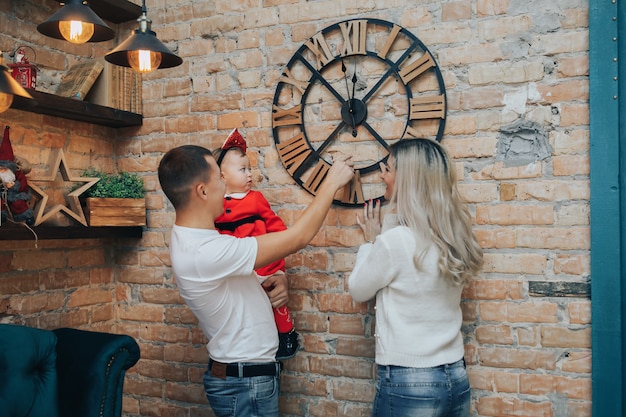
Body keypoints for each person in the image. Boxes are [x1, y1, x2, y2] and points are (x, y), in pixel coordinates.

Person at [157, 144, 353, 417]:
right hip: (244, 384)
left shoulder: (198, 239)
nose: (225, 182)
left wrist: (277, 278)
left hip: (245, 379)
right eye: (219, 177)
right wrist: (331, 183)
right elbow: (297, 237)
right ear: (202, 191)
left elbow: (235, 284)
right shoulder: (204, 252)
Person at [348, 138, 483, 417]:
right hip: (455, 377)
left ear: (408, 178)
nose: (383, 175)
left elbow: (358, 289)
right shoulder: (453, 236)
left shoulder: (395, 242)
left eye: (390, 169)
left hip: (409, 382)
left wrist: (370, 242)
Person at [213, 128, 299, 360]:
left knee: (273, 295)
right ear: (222, 176)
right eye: (242, 170)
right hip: (237, 269)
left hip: (262, 261)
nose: (249, 174)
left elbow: (275, 226)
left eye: (250, 169)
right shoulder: (216, 206)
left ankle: (287, 333)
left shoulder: (256, 199)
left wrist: (281, 246)